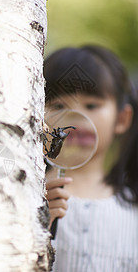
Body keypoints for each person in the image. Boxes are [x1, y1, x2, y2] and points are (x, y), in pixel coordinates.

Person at [43, 45, 138, 272]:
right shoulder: (24, 196)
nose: (76, 118)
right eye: (58, 105)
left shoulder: (132, 206)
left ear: (122, 119)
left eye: (92, 105)